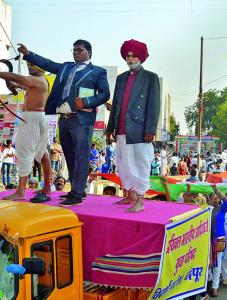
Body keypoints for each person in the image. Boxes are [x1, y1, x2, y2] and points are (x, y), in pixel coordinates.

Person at [19, 41, 110, 207]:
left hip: (82, 119)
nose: (75, 53)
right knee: (69, 155)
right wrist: (28, 53)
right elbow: (47, 64)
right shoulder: (66, 67)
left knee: (81, 156)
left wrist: (87, 101)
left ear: (89, 52)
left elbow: (105, 94)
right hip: (65, 118)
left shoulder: (98, 71)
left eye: (79, 50)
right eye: (73, 50)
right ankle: (78, 189)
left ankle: (76, 195)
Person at [106, 39, 160, 212]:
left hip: (139, 129)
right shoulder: (121, 78)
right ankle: (129, 195)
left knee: (139, 163)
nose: (130, 59)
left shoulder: (150, 78)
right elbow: (115, 104)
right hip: (121, 128)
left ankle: (140, 201)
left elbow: (154, 105)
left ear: (141, 57)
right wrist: (109, 128)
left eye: (134, 56)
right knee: (122, 163)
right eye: (128, 56)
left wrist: (150, 129)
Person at [0, 63, 53, 202]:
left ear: (40, 67)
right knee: (42, 153)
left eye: (31, 65)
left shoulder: (37, 80)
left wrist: (8, 77)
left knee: (24, 151)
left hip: (33, 119)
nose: (29, 67)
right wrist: (13, 85)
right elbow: (21, 84)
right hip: (38, 118)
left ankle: (20, 191)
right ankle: (47, 186)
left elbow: (15, 77)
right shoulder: (39, 82)